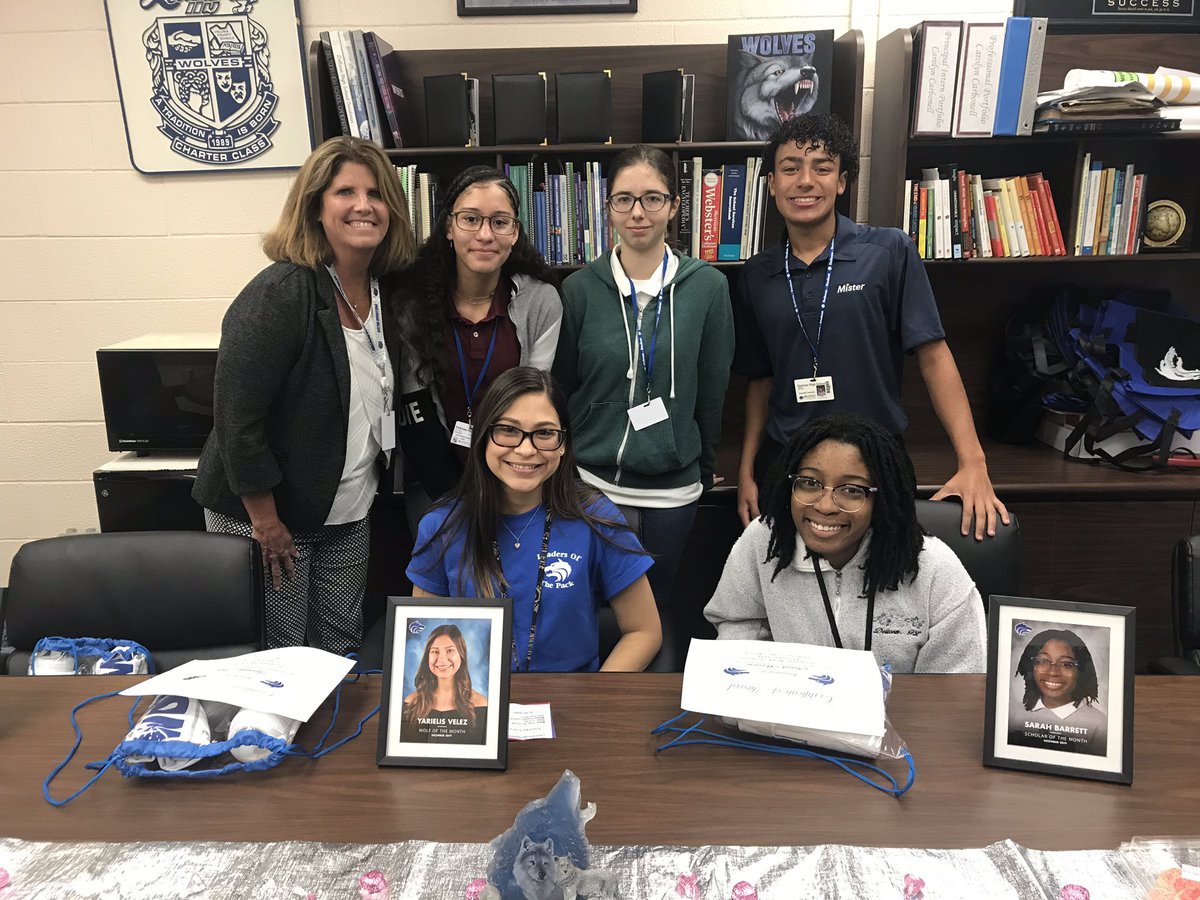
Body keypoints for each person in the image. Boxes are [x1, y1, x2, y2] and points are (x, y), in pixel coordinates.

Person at [733, 113, 1008, 541]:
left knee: (883, 574)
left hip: (875, 460)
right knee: (790, 575)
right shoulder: (757, 273)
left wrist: (973, 462)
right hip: (787, 462)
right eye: (790, 168)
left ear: (842, 182)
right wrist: (747, 469)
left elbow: (934, 358)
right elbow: (760, 379)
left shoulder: (888, 251)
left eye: (822, 168)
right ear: (772, 183)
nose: (805, 181)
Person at [193, 136, 416, 656]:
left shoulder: (386, 292)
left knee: (339, 646)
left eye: (376, 193)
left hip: (348, 509)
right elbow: (236, 421)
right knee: (280, 654)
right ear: (315, 206)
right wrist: (265, 522)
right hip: (269, 513)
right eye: (345, 192)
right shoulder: (282, 291)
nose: (364, 205)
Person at [554, 145, 734, 607]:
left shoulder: (708, 287)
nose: (638, 212)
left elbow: (712, 392)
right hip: (590, 486)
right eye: (624, 199)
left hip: (673, 493)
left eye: (652, 198)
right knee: (587, 609)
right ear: (608, 207)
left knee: (656, 610)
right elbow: (564, 386)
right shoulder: (578, 289)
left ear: (674, 206)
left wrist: (701, 469)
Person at [406, 366, 662, 673]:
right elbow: (422, 636)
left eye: (545, 433)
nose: (526, 450)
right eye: (508, 430)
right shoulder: (441, 525)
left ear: (563, 444)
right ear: (484, 437)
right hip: (474, 697)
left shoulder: (596, 517)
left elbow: (644, 632)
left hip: (573, 695)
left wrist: (596, 695)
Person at [704, 412, 986, 674]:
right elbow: (739, 622)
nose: (825, 506)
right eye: (809, 483)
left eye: (851, 489)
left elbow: (955, 684)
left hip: (902, 711)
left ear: (881, 500)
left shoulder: (936, 571)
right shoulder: (765, 541)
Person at [386, 165, 562, 528]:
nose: (485, 234)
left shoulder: (540, 302)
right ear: (449, 227)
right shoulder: (412, 305)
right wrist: (457, 501)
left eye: (499, 222)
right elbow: (415, 411)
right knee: (445, 563)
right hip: (434, 481)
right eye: (470, 219)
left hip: (515, 476)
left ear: (514, 232)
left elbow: (532, 408)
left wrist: (501, 491)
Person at [1009, 629, 1107, 756]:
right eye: (1043, 661)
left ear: (1081, 671)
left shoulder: (1100, 726)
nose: (1053, 672)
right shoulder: (1014, 715)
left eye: (1066, 664)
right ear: (1032, 666)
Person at [400, 623, 488, 745]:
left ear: (461, 654)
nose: (442, 659)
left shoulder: (480, 703)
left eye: (450, 650)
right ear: (427, 657)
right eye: (435, 651)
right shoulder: (412, 702)